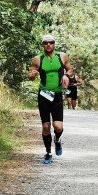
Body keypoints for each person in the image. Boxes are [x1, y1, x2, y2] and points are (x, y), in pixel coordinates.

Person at [27, 34, 74, 164]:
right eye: (46, 43)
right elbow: (30, 75)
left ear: (54, 44)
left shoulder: (62, 56)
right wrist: (32, 74)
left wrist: (66, 75)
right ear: (43, 45)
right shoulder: (38, 59)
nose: (48, 45)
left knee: (58, 126)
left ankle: (57, 140)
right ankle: (48, 153)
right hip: (44, 95)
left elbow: (71, 70)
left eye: (51, 42)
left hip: (57, 95)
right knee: (46, 126)